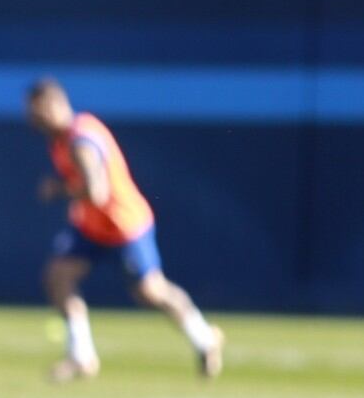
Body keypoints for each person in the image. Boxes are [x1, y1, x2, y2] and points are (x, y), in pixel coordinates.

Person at [26, 78, 223, 382]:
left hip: (123, 224)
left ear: (55, 105)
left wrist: (58, 190)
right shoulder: (60, 139)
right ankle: (81, 356)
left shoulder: (81, 140)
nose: (33, 119)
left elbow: (97, 192)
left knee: (151, 291)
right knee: (58, 276)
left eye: (37, 111)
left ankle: (205, 338)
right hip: (92, 226)